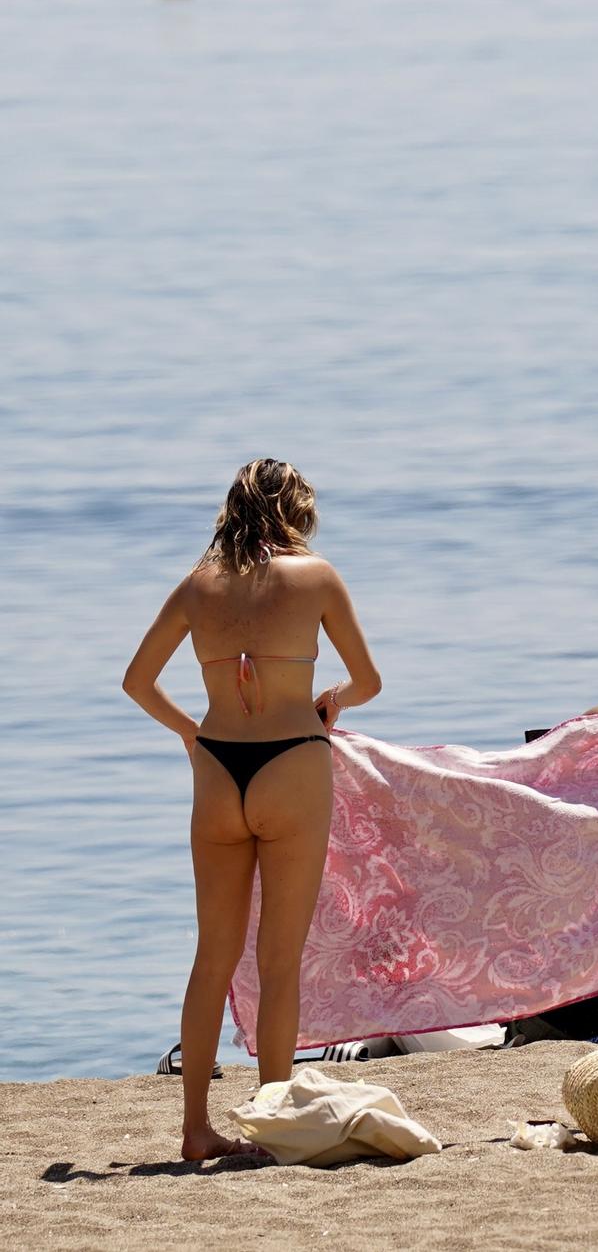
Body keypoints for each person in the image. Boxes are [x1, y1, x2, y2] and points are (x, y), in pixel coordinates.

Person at [122, 460, 381, 1160]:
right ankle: (276, 1125)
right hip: (293, 761)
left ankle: (195, 1129)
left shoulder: (197, 586)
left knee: (213, 955)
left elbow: (137, 681)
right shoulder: (317, 577)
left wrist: (191, 734)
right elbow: (368, 679)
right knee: (279, 960)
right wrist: (332, 700)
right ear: (296, 512)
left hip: (217, 769)